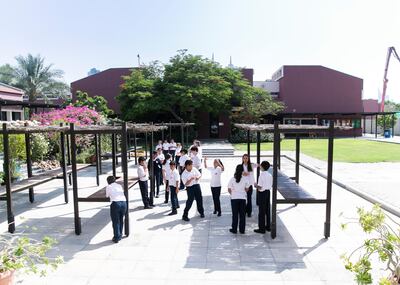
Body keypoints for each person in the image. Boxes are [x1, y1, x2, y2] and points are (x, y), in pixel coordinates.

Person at [228, 165, 249, 234]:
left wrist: (233, 194)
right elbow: (247, 189)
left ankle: (234, 229)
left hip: (234, 198)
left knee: (235, 214)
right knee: (242, 215)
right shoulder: (245, 179)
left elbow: (229, 189)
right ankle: (242, 230)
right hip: (242, 198)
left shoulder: (232, 179)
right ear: (242, 170)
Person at [105, 176, 127, 243]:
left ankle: (116, 237)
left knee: (115, 221)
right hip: (124, 203)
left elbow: (107, 195)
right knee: (120, 220)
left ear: (108, 181)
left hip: (115, 204)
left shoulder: (109, 187)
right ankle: (120, 235)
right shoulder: (119, 185)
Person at [254, 161, 272, 233]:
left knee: (261, 211)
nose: (260, 167)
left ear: (262, 167)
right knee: (267, 210)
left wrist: (255, 185)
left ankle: (261, 229)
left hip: (262, 194)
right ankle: (268, 226)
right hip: (268, 192)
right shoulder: (270, 175)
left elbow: (260, 187)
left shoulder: (261, 175)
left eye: (261, 166)